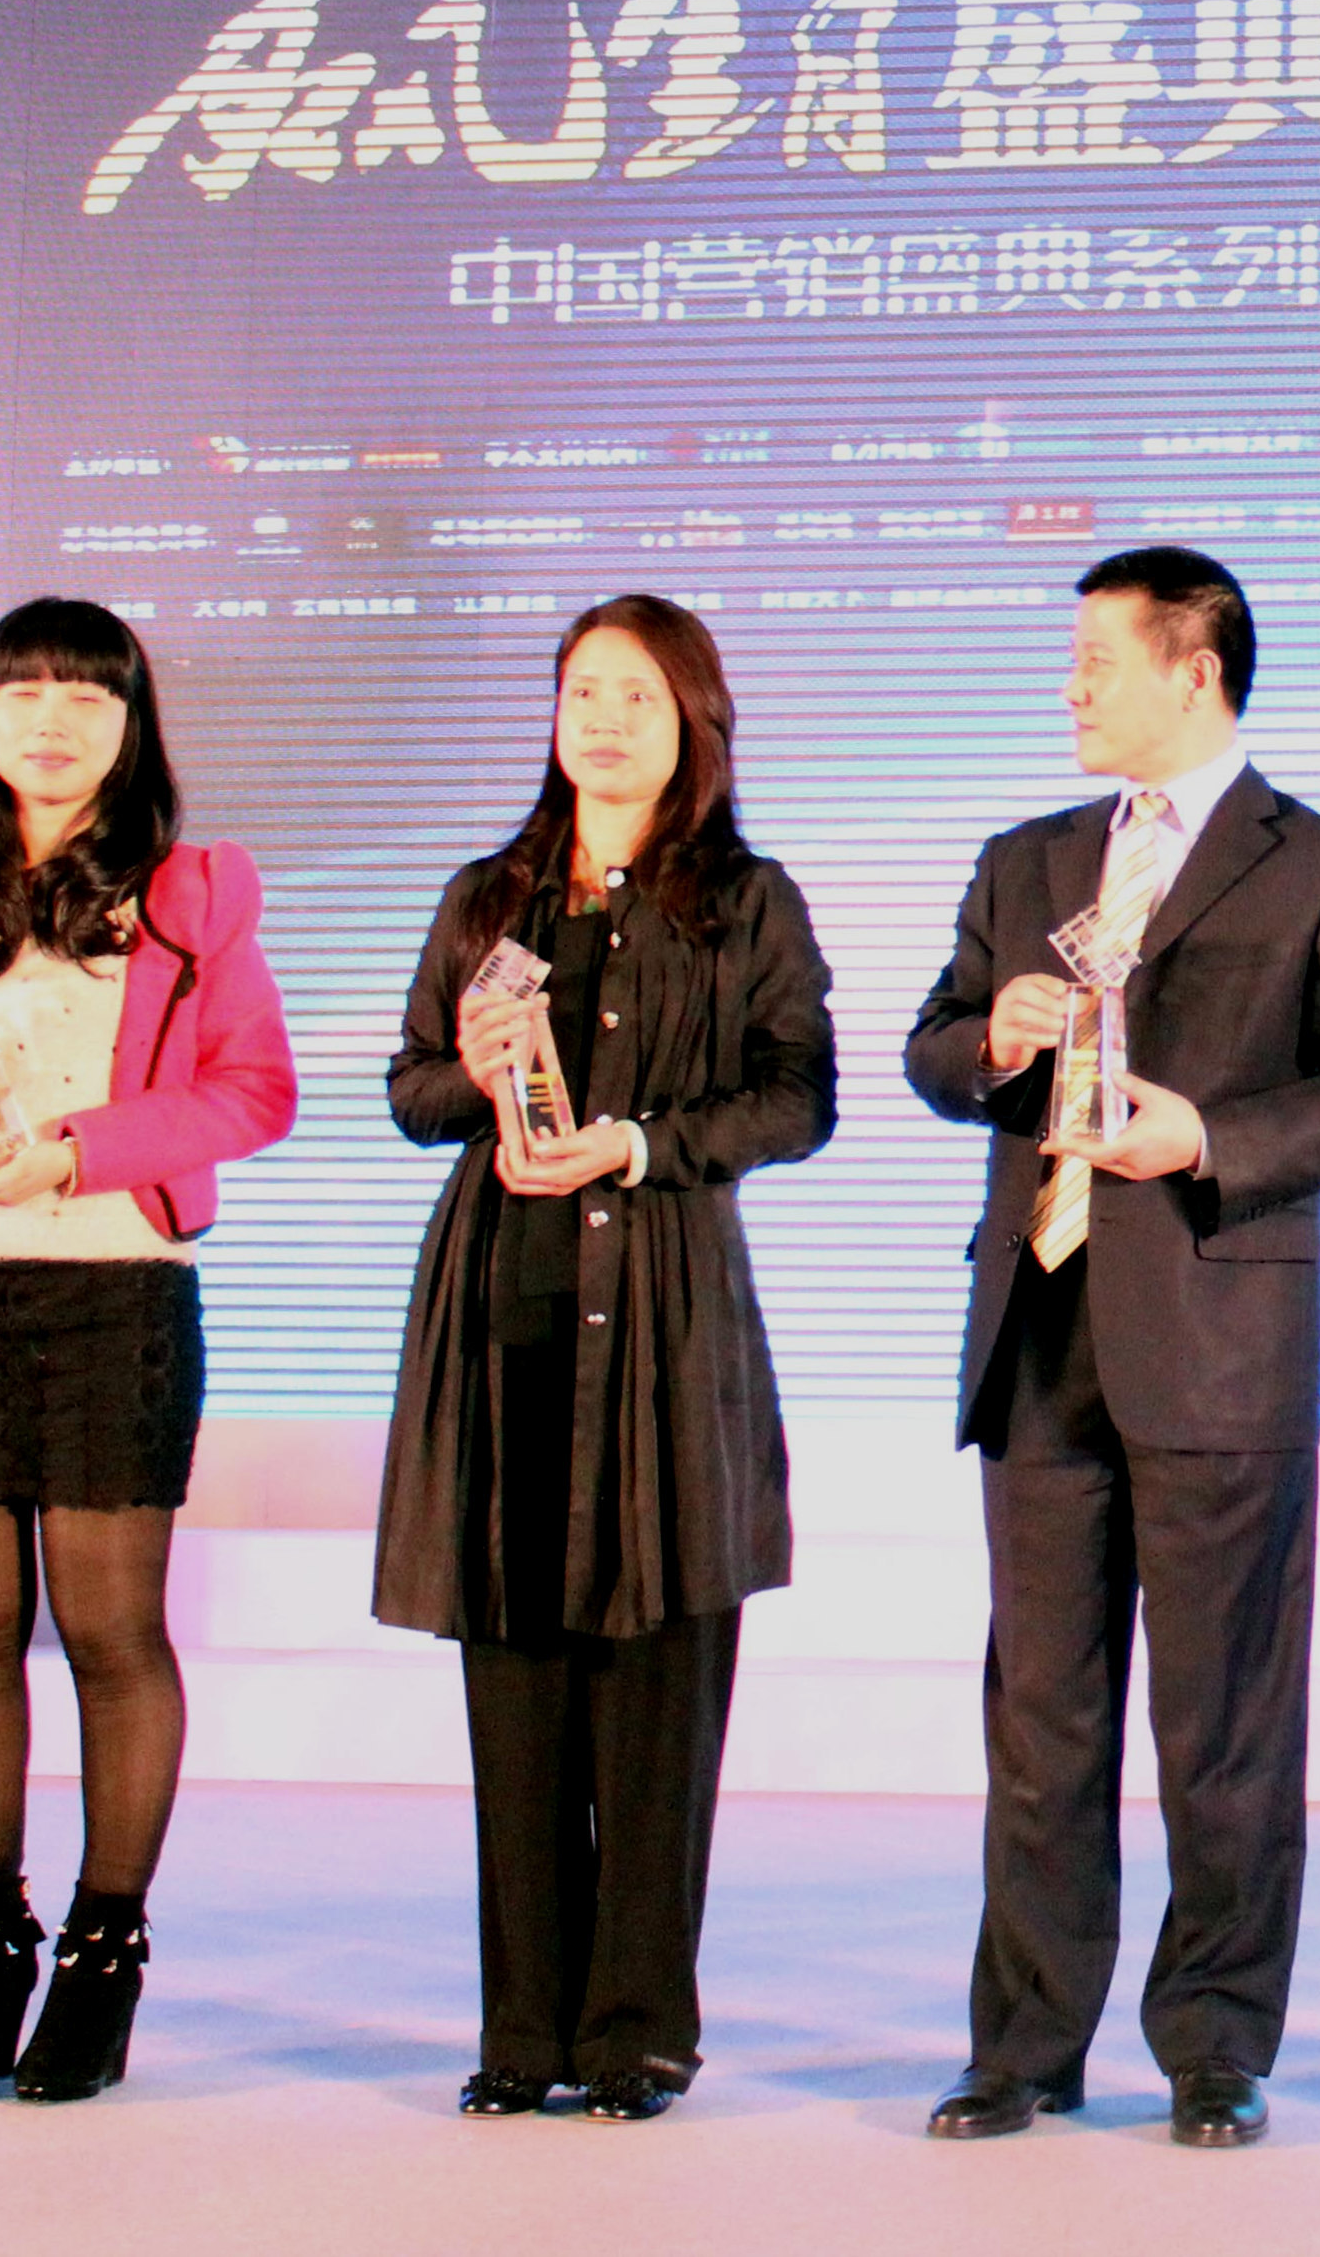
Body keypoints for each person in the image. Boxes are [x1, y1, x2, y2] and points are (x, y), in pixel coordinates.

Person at [903, 547, 1320, 2147]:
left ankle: (1216, 2042)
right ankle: (1023, 2044)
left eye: (1099, 661)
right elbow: (933, 1046)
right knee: (1041, 1720)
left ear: (1194, 671)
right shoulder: (1029, 858)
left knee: (1225, 1724)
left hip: (1217, 1340)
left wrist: (1205, 1137)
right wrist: (991, 1041)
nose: (1071, 688)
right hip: (1040, 1328)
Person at [0, 597, 298, 2101]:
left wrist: (83, 1150)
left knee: (109, 1635)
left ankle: (102, 1962)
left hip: (114, 1291)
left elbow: (255, 1090)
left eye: (87, 695)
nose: (51, 718)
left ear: (130, 724)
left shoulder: (192, 891)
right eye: (22, 690)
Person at [375, 596, 831, 2123]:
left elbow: (798, 1097)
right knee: (515, 1688)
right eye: (584, 691)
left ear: (694, 718)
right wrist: (471, 1075)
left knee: (655, 1685)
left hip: (662, 1320)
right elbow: (411, 1090)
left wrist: (636, 1143)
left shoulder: (745, 901)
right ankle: (524, 2031)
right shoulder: (489, 897)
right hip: (505, 1308)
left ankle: (637, 2028)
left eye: (639, 694)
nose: (607, 719)